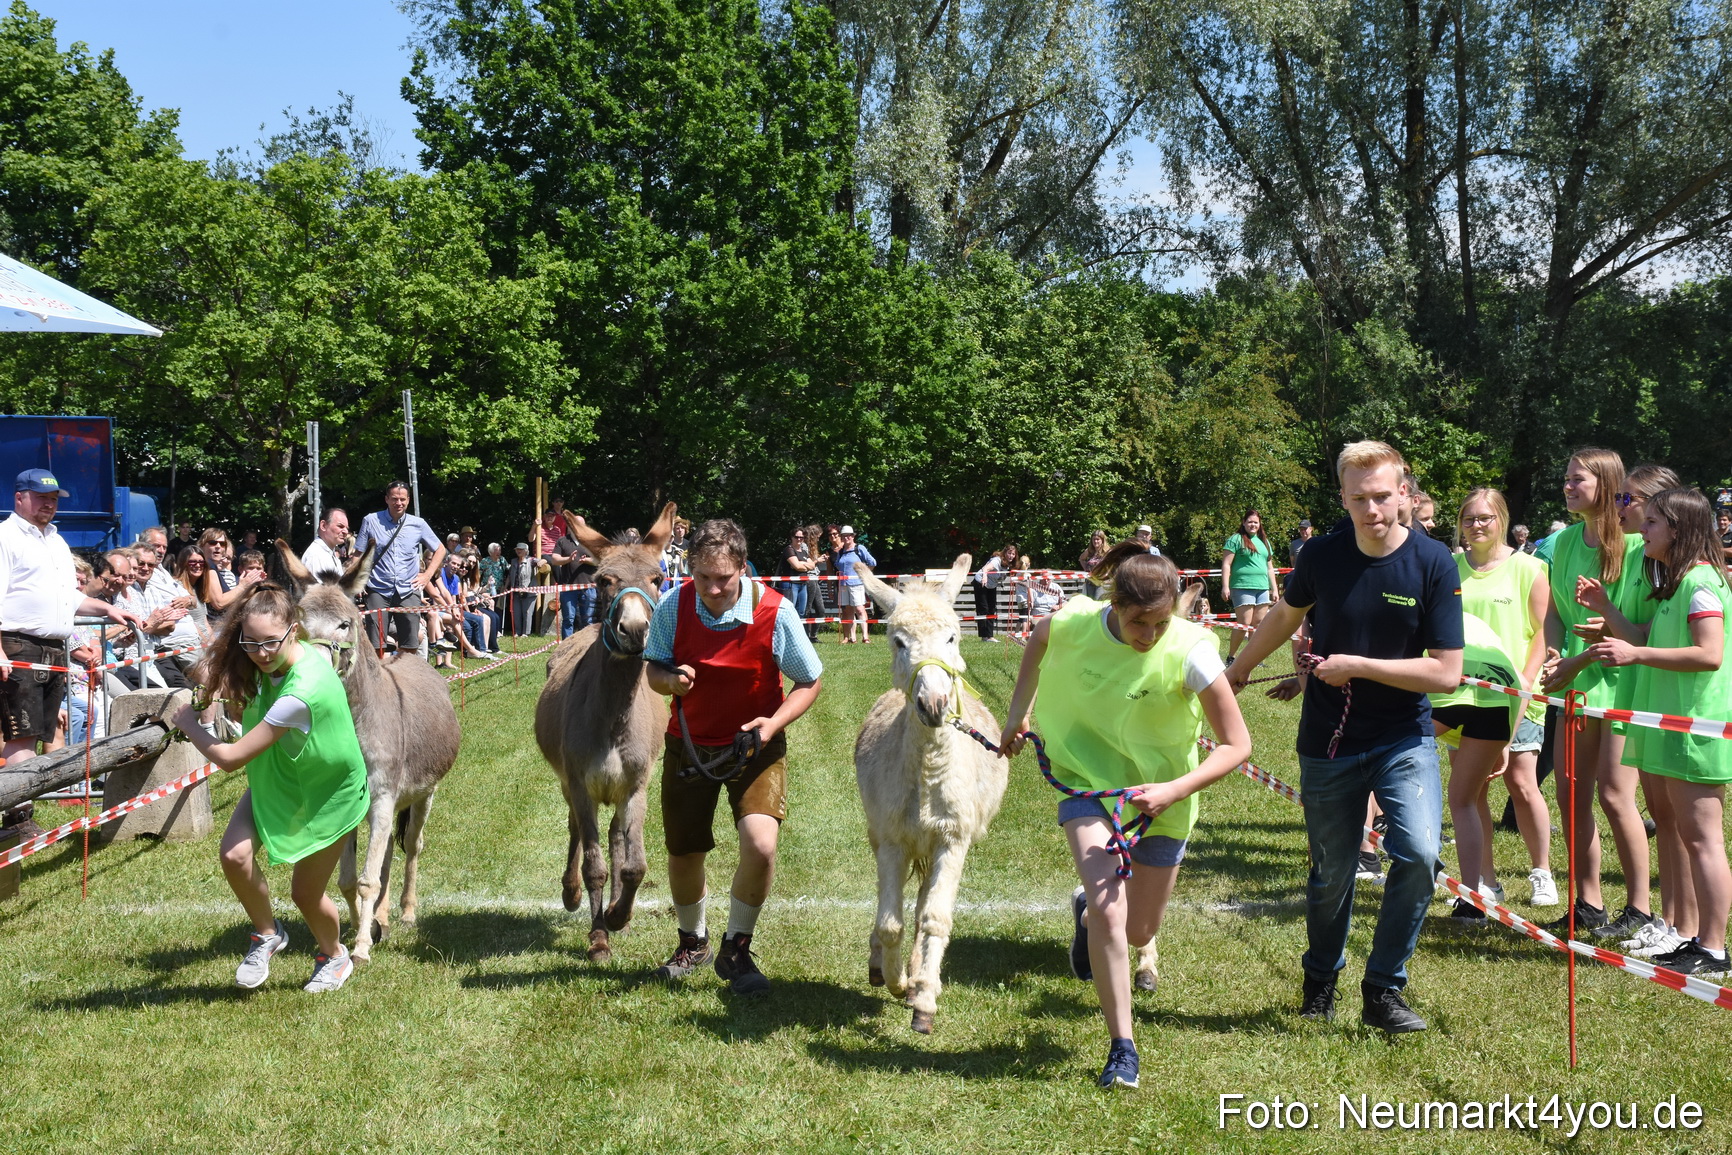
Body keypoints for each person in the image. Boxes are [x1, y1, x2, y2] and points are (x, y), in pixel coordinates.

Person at [1224, 441, 1463, 1034]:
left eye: (1382, 496)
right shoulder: (1322, 555)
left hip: (1403, 736)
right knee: (1332, 873)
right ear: (1343, 498)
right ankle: (1321, 981)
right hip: (1329, 740)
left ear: (1404, 493)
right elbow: (1284, 615)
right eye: (1359, 499)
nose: (1372, 509)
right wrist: (1239, 669)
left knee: (1420, 855)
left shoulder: (1433, 561)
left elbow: (1446, 673)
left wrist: (1358, 665)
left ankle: (1383, 988)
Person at [999, 544, 1251, 1090]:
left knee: (1139, 930)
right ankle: (1122, 1048)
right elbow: (1038, 638)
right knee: (1112, 913)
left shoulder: (1192, 651)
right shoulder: (1074, 624)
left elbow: (1238, 745)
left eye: (1162, 623)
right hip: (1087, 782)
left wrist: (1172, 790)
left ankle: (1085, 916)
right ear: (1113, 604)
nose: (1150, 635)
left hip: (1163, 800)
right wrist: (1017, 716)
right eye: (1139, 622)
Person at [643, 519, 823, 996]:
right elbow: (653, 669)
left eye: (723, 578)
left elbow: (809, 681)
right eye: (703, 577)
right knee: (684, 850)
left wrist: (774, 724)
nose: (713, 589)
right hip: (689, 745)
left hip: (756, 747)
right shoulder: (673, 605)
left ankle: (736, 947)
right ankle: (692, 943)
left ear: (743, 568)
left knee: (761, 846)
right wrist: (669, 680)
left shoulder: (776, 611)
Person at [170, 583, 369, 993]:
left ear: (294, 631)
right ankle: (267, 933)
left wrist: (189, 724)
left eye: (270, 642)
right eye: (250, 643)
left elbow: (230, 758)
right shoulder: (272, 662)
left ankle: (334, 956)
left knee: (306, 894)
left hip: (328, 794)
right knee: (235, 855)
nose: (260, 653)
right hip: (279, 775)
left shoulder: (301, 692)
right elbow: (227, 672)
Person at [1587, 487, 1730, 977]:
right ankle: (1697, 939)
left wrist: (1636, 654)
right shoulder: (1677, 582)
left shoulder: (1701, 582)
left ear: (1678, 528)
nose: (1640, 529)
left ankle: (1714, 948)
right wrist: (1608, 611)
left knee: (1704, 840)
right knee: (1690, 837)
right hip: (1673, 725)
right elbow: (1644, 638)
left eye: (1651, 522)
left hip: (1695, 728)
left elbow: (1709, 654)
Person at [1538, 450, 1660, 941]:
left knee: (1614, 794)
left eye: (1578, 479)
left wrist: (1594, 641)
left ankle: (1640, 908)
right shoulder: (1563, 541)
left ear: (1607, 486)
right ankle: (1588, 904)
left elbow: (1645, 628)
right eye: (1566, 478)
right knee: (1570, 794)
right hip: (1575, 681)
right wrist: (1553, 651)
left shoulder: (1637, 545)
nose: (1568, 486)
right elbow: (1553, 611)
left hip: (1623, 681)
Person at [1426, 489, 1553, 918]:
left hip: (1516, 696)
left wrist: (1525, 685)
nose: (1476, 525)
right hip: (1462, 696)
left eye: (1485, 518)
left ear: (1502, 519)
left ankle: (1541, 871)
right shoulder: (1450, 567)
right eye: (1468, 518)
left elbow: (1543, 633)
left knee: (1521, 781)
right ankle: (1485, 880)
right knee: (1471, 787)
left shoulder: (1528, 568)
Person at [0, 470, 147, 806]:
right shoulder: (5, 537)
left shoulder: (56, 541)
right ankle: (18, 820)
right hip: (18, 646)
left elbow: (70, 597)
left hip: (54, 648)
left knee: (40, 735)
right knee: (21, 739)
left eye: (53, 499)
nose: (48, 504)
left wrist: (108, 609)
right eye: (41, 497)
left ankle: (22, 812)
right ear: (19, 497)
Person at [353, 481, 446, 655]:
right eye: (394, 499)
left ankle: (404, 671)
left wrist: (427, 575)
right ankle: (379, 672)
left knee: (411, 643)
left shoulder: (418, 524)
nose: (399, 503)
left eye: (402, 499)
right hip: (378, 588)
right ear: (386, 499)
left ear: (408, 500)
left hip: (408, 589)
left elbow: (440, 549)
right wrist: (357, 581)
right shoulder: (371, 520)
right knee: (376, 645)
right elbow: (358, 554)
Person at [1221, 510, 1280, 661]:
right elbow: (1226, 564)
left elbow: (1269, 568)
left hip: (1262, 588)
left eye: (1255, 522)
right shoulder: (1235, 539)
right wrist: (1225, 586)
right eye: (1250, 522)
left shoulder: (1264, 542)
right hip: (1242, 586)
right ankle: (1231, 657)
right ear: (1244, 523)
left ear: (1259, 524)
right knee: (1244, 623)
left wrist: (1274, 589)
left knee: (1258, 624)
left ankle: (1252, 659)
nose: (1253, 525)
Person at [830, 526, 876, 644]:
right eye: (844, 536)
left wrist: (864, 574)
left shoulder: (859, 548)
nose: (846, 538)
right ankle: (852, 638)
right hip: (843, 585)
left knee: (860, 609)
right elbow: (837, 565)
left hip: (856, 584)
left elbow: (872, 562)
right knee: (848, 611)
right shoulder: (841, 551)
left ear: (853, 536)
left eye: (849, 535)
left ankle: (865, 637)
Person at [548, 523, 595, 638]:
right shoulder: (562, 541)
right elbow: (554, 560)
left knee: (588, 620)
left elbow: (600, 560)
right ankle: (566, 645)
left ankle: (587, 644)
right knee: (568, 619)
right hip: (568, 587)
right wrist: (568, 559)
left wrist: (588, 560)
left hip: (588, 587)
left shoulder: (591, 541)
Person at [970, 542, 1017, 642]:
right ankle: (984, 636)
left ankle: (990, 636)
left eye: (1013, 554)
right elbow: (985, 568)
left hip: (992, 585)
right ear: (1005, 553)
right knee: (983, 609)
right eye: (1009, 553)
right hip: (981, 582)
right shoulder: (996, 560)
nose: (1011, 556)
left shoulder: (1008, 565)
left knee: (992, 609)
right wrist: (984, 577)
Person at [778, 527, 817, 640]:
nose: (799, 539)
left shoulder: (804, 551)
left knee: (801, 612)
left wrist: (801, 564)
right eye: (797, 537)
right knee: (789, 612)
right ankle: (786, 636)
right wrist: (803, 564)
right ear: (792, 537)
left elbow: (812, 566)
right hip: (790, 585)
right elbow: (797, 566)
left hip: (802, 585)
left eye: (802, 537)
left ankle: (796, 637)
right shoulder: (788, 550)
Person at [302, 508, 350, 579]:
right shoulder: (316, 557)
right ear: (323, 526)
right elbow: (317, 586)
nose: (346, 531)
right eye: (340, 526)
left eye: (347, 528)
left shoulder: (329, 554)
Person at [507, 543, 536, 637]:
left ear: (526, 551)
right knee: (516, 612)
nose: (518, 551)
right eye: (517, 549)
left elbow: (543, 560)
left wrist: (541, 563)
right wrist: (506, 586)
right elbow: (510, 575)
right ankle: (517, 632)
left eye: (521, 549)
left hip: (528, 591)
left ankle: (525, 633)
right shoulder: (513, 561)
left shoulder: (531, 560)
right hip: (515, 591)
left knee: (527, 612)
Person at [1079, 531, 1109, 599]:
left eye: (1098, 539)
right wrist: (1086, 569)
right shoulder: (1089, 551)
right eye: (1094, 539)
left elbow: (1112, 564)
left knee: (1097, 601)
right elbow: (1081, 559)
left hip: (1100, 582)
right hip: (1090, 582)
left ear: (1102, 540)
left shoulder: (1107, 552)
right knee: (1090, 602)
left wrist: (1106, 574)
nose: (1095, 541)